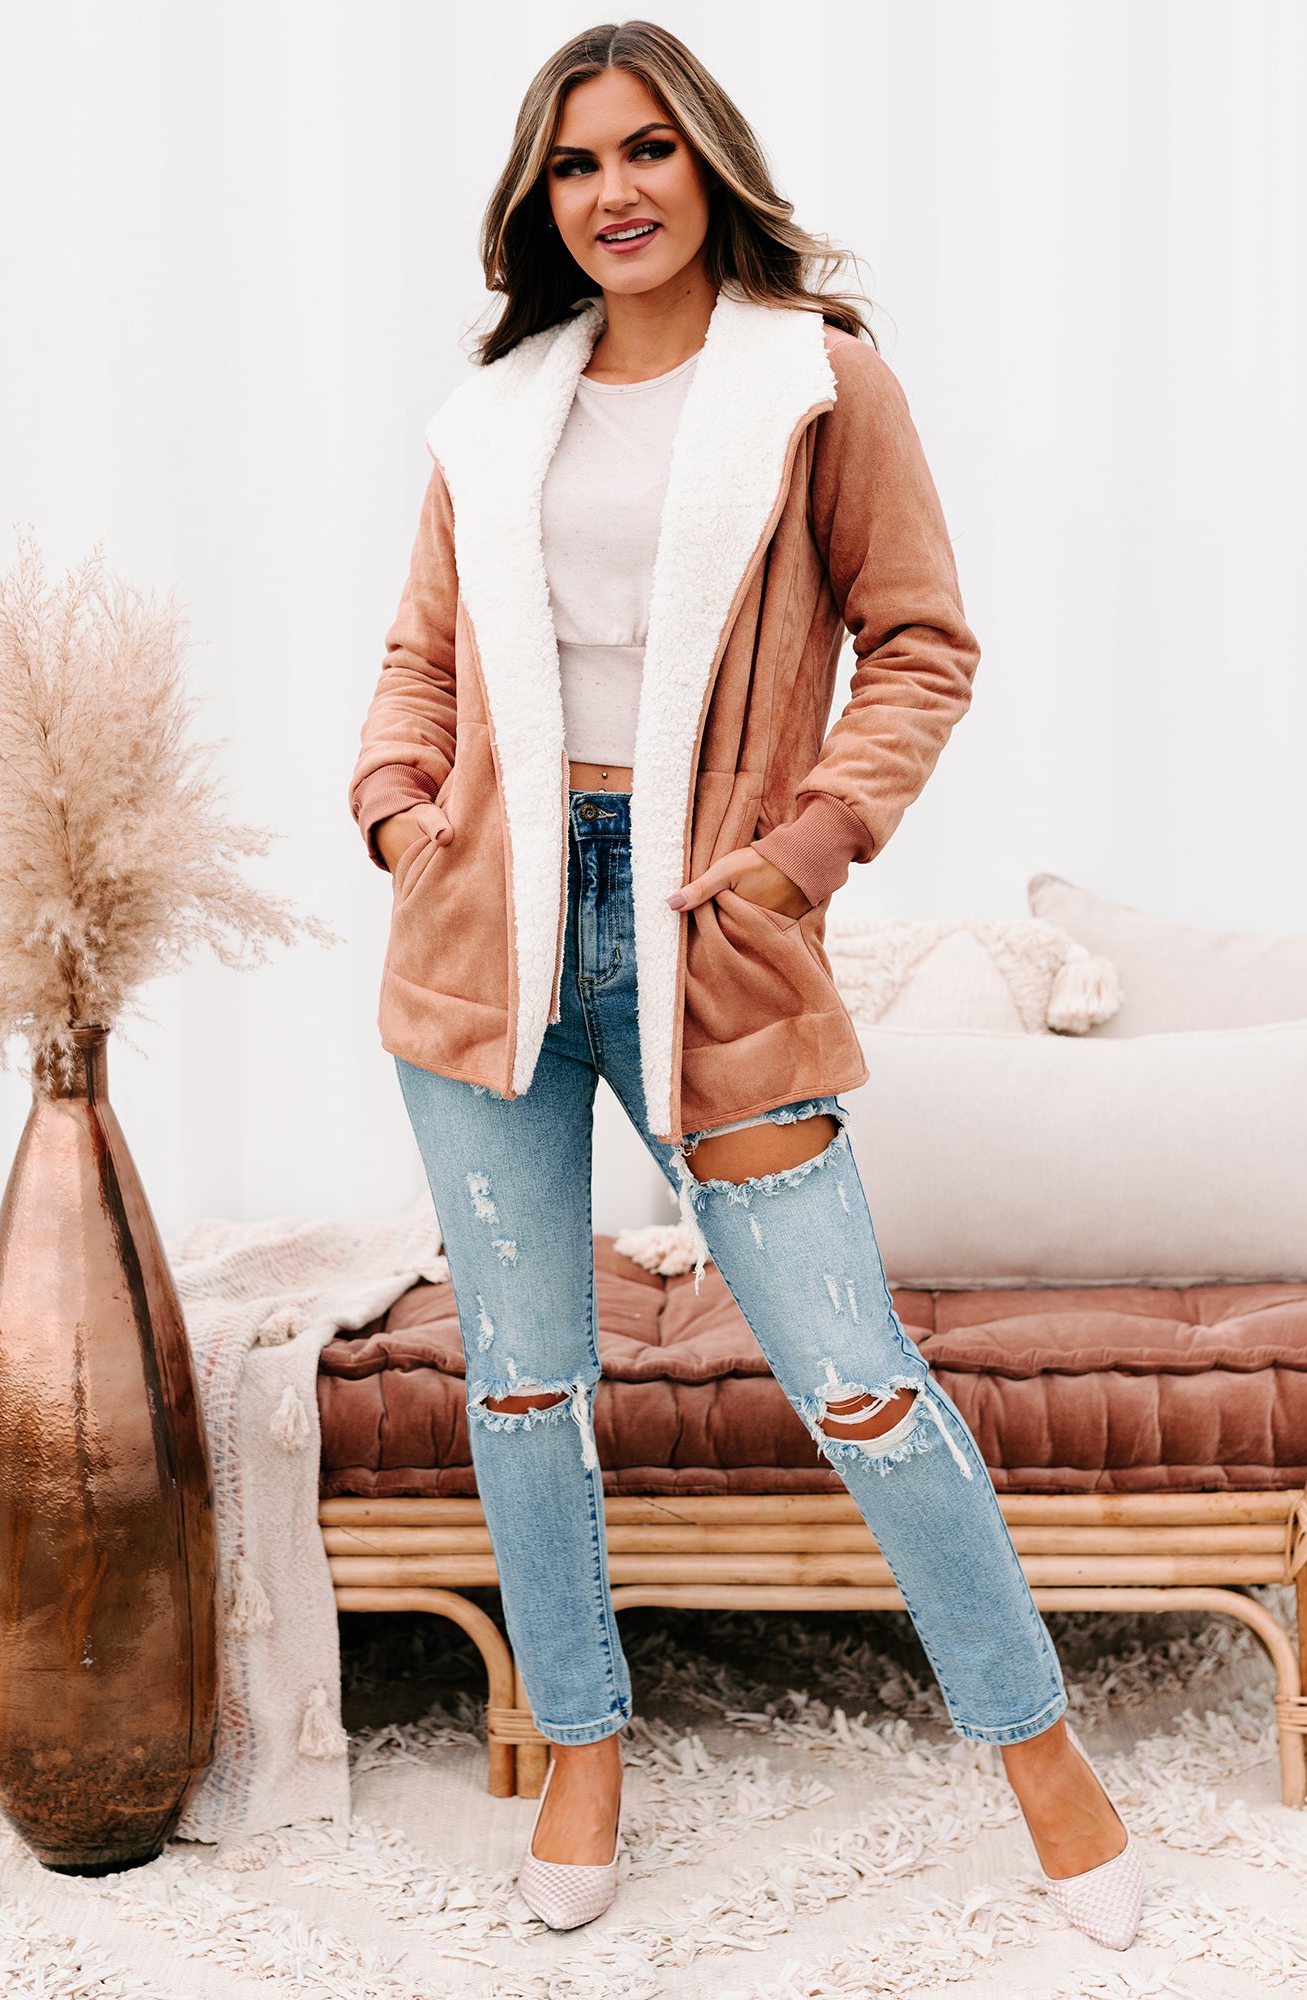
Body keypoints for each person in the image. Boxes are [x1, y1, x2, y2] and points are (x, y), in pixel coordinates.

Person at [349, 18, 1146, 1951]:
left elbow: (920, 643)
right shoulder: (497, 414)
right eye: (574, 163)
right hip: (484, 934)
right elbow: (420, 660)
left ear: (707, 163)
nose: (612, 191)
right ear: (537, 200)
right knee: (521, 1385)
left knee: (855, 1378)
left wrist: (808, 846)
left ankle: (1038, 1751)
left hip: (710, 927)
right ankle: (582, 1748)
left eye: (646, 150)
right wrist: (393, 808)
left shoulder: (816, 380)